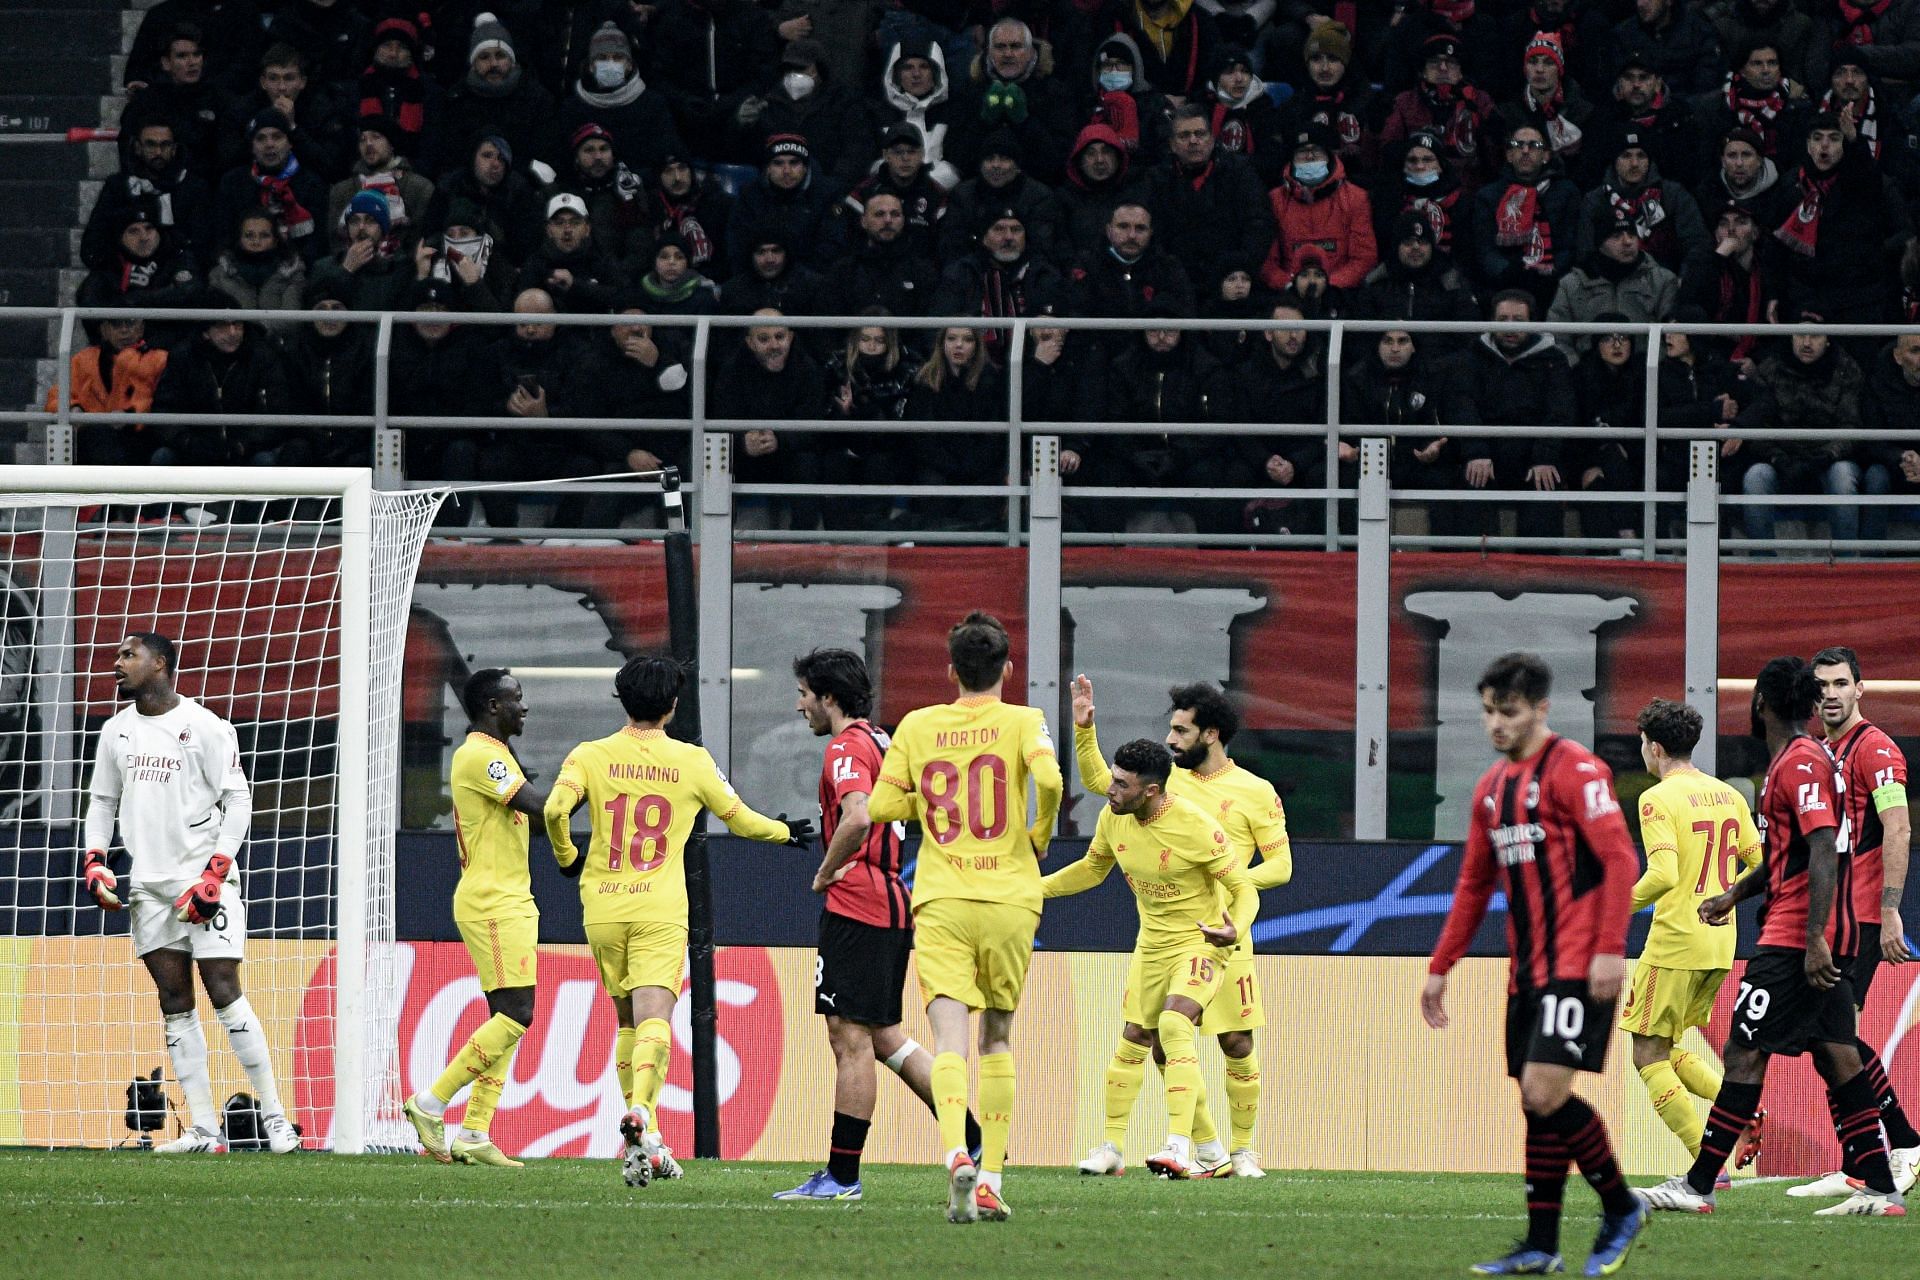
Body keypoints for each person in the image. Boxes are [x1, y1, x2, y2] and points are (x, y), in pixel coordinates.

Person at [1636, 656, 1907, 1217]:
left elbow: (1824, 848)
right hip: (1814, 931)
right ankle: (1882, 1187)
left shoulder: (1800, 763)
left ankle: (1699, 1183)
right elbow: (1783, 857)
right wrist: (1732, 896)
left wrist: (1814, 940)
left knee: (1742, 1051)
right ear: (1809, 703)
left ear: (1759, 703)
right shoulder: (1803, 760)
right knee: (1838, 1057)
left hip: (1794, 939)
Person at [543, 656, 811, 1187]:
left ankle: (650, 1138)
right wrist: (784, 832)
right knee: (655, 1021)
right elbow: (741, 819)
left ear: (622, 698)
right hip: (658, 911)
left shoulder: (590, 755)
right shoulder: (690, 761)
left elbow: (553, 810)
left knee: (626, 1023)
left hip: (602, 907)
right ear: (672, 705)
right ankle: (642, 1112)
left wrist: (566, 857)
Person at [1422, 652, 1647, 1276]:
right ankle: (1541, 1244)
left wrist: (1609, 949)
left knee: (1544, 1091)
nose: (1497, 724)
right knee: (1535, 1102)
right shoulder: (1492, 790)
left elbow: (1620, 861)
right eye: (1489, 711)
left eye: (1510, 711)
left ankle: (1621, 1205)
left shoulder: (1577, 770)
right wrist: (1442, 966)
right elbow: (1472, 886)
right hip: (1528, 973)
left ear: (1542, 708)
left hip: (1578, 964)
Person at [867, 611, 1063, 1223]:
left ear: (950, 670)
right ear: (1008, 668)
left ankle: (957, 1150)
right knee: (997, 1037)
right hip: (1009, 896)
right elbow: (1052, 781)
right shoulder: (1024, 720)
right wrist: (1039, 834)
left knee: (948, 1038)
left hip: (943, 897)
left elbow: (878, 804)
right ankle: (992, 1179)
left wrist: (925, 801)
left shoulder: (919, 726)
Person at [775, 649, 984, 1201]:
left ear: (828, 697)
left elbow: (860, 813)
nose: (800, 707)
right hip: (891, 899)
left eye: (804, 695)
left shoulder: (846, 747)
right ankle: (970, 1135)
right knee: (883, 1034)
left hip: (860, 901)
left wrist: (823, 873)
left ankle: (842, 1176)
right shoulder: (882, 739)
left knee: (848, 1038)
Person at [79, 632, 299, 1155]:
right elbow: (102, 803)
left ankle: (275, 1119)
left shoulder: (205, 727)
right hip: (149, 888)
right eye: (117, 655)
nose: (117, 662)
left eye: (128, 654)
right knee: (175, 1000)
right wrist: (94, 862)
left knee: (223, 987)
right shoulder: (115, 732)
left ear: (159, 664)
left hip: (203, 880)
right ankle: (203, 1129)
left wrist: (215, 874)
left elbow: (238, 801)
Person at [1069, 677, 1289, 1179]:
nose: (1170, 739)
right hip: (1167, 935)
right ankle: (1205, 1147)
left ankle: (1244, 1150)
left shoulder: (1255, 791)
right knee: (1167, 1037)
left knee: (1235, 1042)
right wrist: (1085, 730)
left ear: (1210, 734)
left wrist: (1220, 885)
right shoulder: (1160, 783)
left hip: (1226, 931)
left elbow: (1281, 868)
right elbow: (1105, 783)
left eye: (1180, 730)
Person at [1041, 737, 1253, 1178]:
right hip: (1152, 944)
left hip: (1200, 940)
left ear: (1150, 791)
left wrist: (1236, 928)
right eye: (1113, 779)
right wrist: (1035, 889)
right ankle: (1129, 1148)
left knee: (1175, 1025)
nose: (1110, 789)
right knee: (1136, 1037)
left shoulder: (1195, 826)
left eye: (1121, 783)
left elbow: (1243, 889)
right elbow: (1092, 870)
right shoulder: (1113, 817)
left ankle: (1178, 1146)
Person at [401, 669, 551, 1169]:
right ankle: (431, 1103)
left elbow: (529, 826)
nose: (524, 707)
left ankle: (474, 1132)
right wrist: (595, 783)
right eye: (517, 698)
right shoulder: (479, 755)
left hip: (510, 897)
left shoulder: (501, 756)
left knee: (506, 1021)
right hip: (491, 901)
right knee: (517, 1014)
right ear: (492, 706)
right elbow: (538, 807)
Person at [1792, 647, 1920, 1197]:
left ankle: (1903, 1145)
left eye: (1841, 683)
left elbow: (1898, 828)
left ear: (1860, 689)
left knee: (1833, 1036)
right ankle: (1865, 1158)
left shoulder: (1877, 750)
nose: (1831, 693)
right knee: (1830, 1039)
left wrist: (1891, 908)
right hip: (1834, 916)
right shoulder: (1824, 751)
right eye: (1821, 685)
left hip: (1864, 915)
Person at [1622, 698, 1763, 1169]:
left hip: (1676, 942)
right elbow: (1761, 864)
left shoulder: (1656, 798)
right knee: (1669, 1047)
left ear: (1655, 747)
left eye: (1643, 743)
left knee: (1647, 1054)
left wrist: (1612, 908)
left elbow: (1661, 875)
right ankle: (1740, 1111)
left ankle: (1706, 1162)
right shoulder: (1728, 794)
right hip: (1720, 943)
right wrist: (1729, 902)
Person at [1731, 328, 1869, 544]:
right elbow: (1758, 424)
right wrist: (1778, 458)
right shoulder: (1771, 367)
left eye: (1815, 336)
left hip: (1830, 459)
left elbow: (1852, 426)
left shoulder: (1846, 369)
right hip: (1782, 459)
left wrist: (1826, 456)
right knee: (1755, 477)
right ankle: (1761, 564)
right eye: (1799, 335)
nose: (1806, 343)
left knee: (1843, 477)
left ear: (1828, 340)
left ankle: (1846, 563)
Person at [1261, 122, 1377, 292]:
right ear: (1291, 159)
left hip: (1342, 294)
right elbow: (1267, 262)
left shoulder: (1356, 198)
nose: (1309, 157)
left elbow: (1364, 258)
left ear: (1329, 156)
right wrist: (1289, 285)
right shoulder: (1275, 200)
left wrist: (1330, 286)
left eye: (1316, 151)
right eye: (1302, 152)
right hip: (1289, 294)